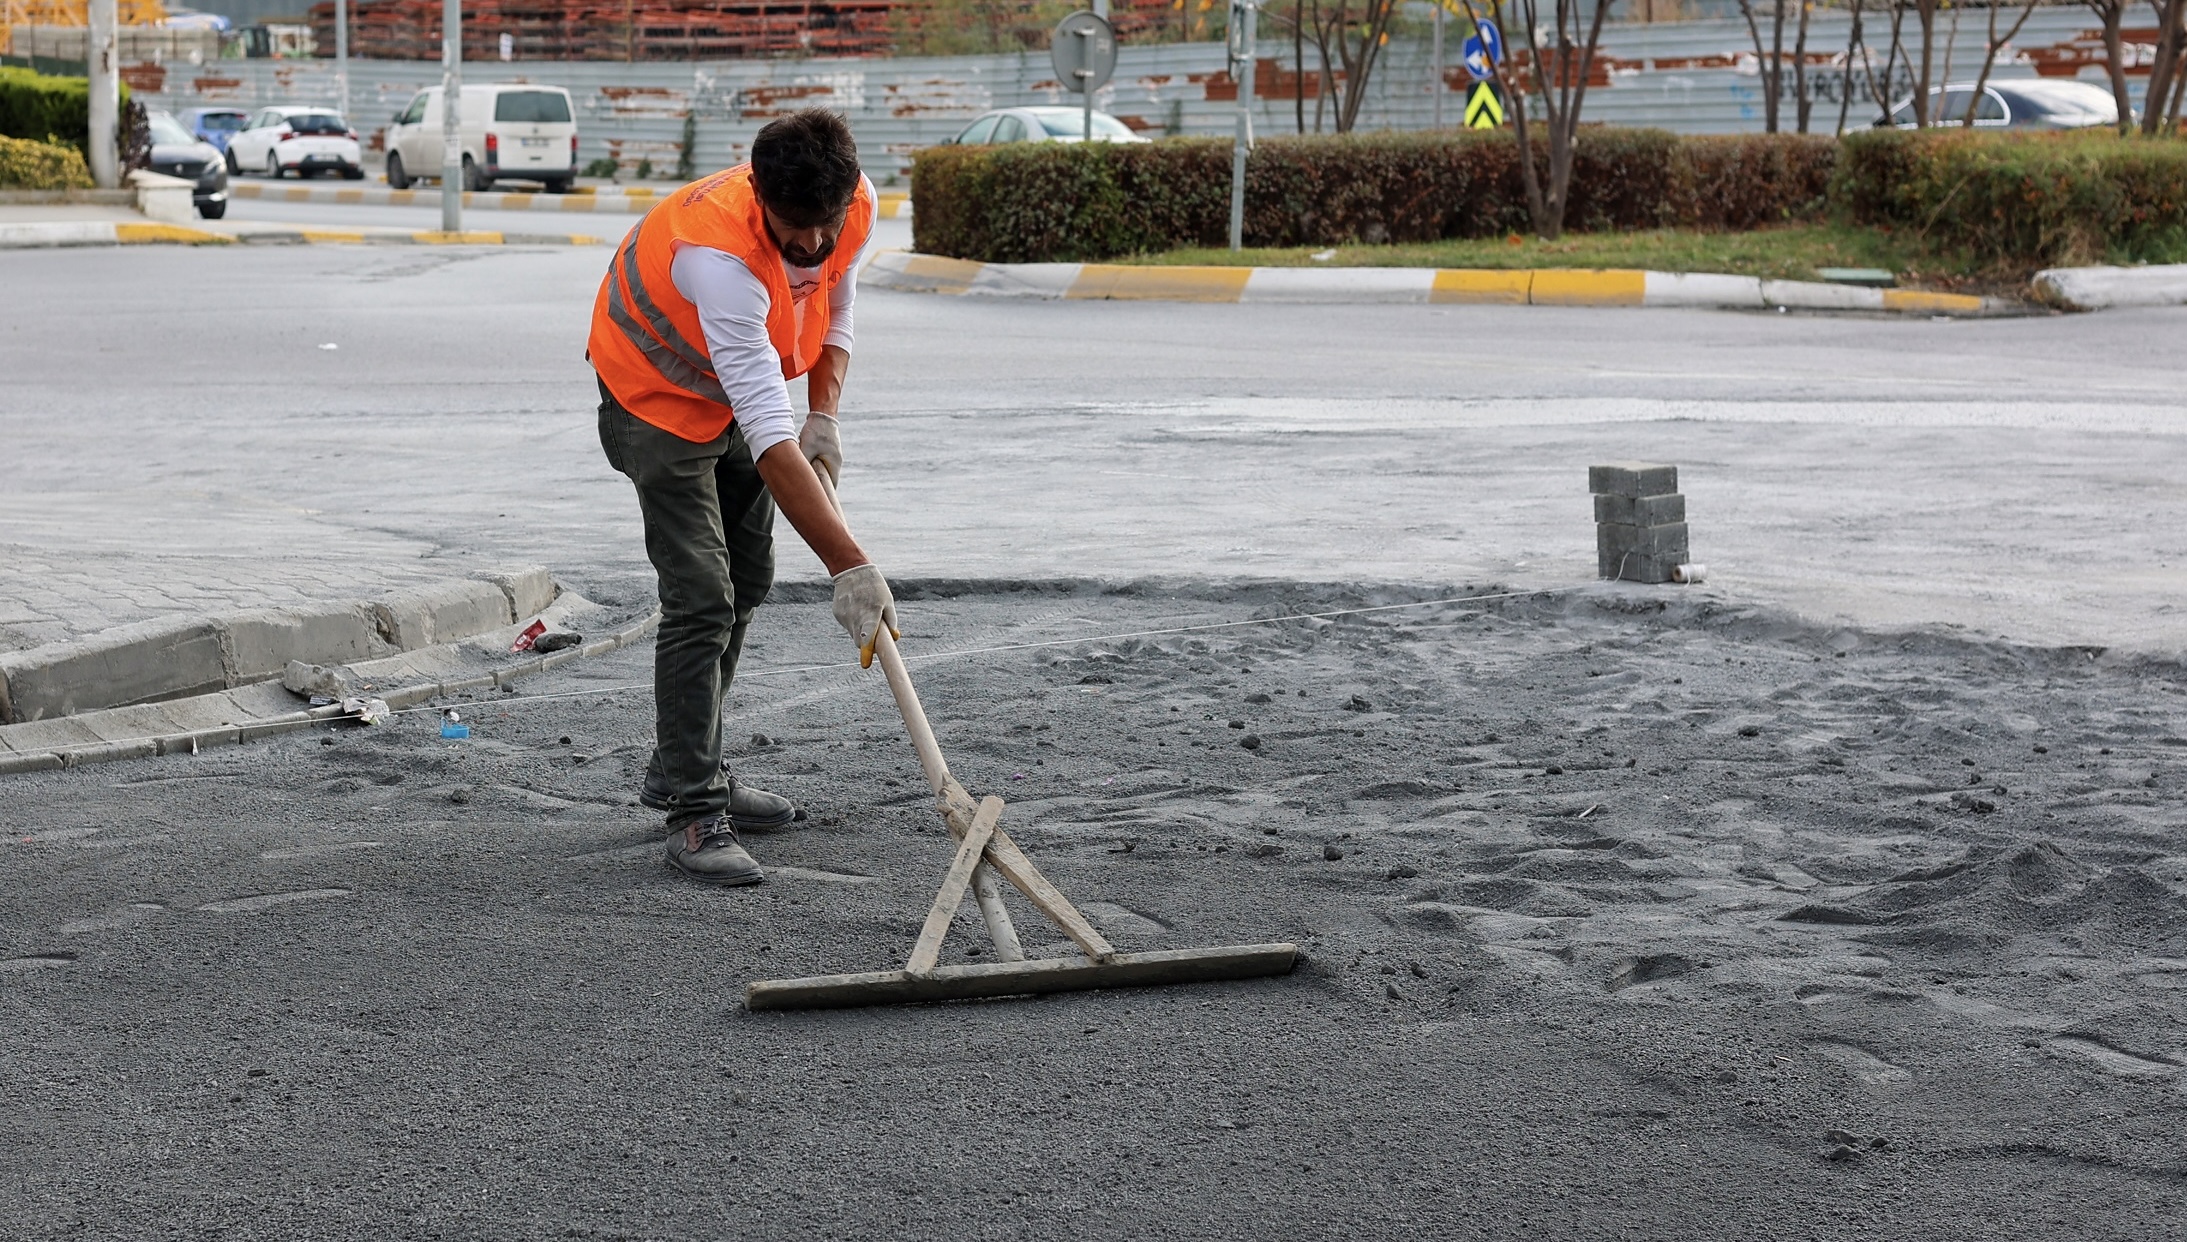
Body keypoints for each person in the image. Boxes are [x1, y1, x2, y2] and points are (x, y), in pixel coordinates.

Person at [588, 108, 898, 886]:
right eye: (794, 230)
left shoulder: (849, 202)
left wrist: (823, 413)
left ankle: (682, 763)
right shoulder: (717, 257)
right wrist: (848, 565)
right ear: (759, 196)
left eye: (823, 227)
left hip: (728, 395)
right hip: (655, 398)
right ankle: (694, 811)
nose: (811, 247)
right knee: (701, 596)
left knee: (749, 578)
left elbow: (836, 307)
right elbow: (767, 430)